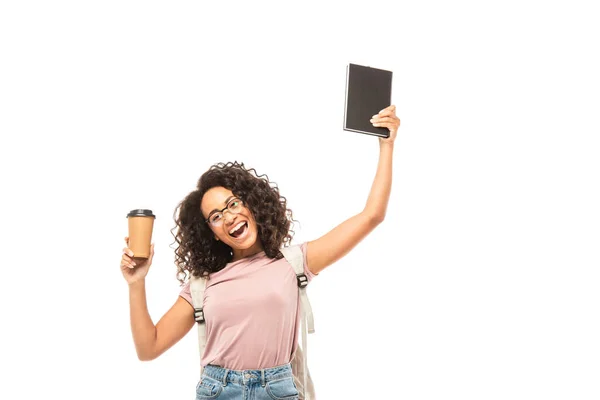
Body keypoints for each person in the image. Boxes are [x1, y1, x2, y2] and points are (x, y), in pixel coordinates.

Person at [120, 105, 401, 399]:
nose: (228, 217)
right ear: (211, 233)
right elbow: (148, 348)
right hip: (219, 390)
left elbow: (372, 215)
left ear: (251, 204)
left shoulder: (294, 263)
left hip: (277, 388)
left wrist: (387, 145)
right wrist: (136, 281)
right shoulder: (201, 286)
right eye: (216, 217)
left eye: (232, 204)